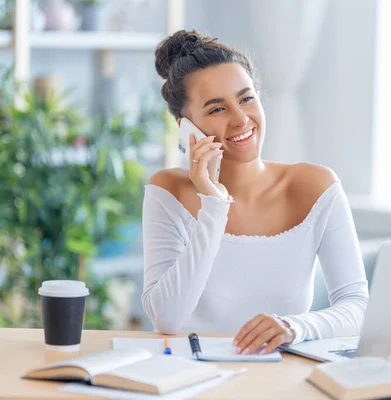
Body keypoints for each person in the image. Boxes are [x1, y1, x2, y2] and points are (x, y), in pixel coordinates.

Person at [142, 30, 368, 356]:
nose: (240, 119)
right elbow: (167, 319)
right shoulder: (168, 191)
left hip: (284, 381)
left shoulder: (315, 186)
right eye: (217, 109)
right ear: (187, 128)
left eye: (246, 99)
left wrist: (295, 327)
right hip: (191, 381)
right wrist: (213, 203)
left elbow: (357, 306)